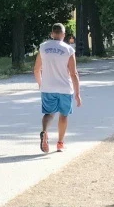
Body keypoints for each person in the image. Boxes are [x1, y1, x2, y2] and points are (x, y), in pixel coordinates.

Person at [33, 22, 82, 154]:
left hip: (48, 87)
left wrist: (40, 84)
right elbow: (73, 73)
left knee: (48, 114)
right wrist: (77, 93)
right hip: (65, 88)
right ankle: (60, 143)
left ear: (52, 34)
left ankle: (44, 132)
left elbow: (37, 69)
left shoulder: (43, 48)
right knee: (64, 115)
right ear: (63, 35)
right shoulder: (68, 50)